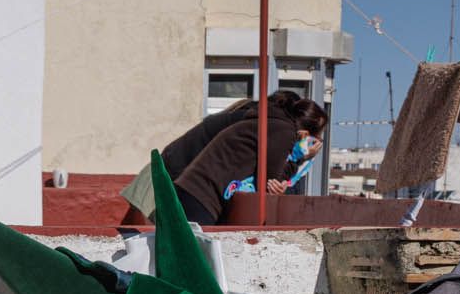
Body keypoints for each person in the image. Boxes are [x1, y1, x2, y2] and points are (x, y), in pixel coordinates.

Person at [124, 92, 326, 226]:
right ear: (304, 132)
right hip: (173, 174)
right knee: (150, 242)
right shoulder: (274, 128)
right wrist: (301, 158)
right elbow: (269, 179)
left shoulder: (254, 117)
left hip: (178, 175)